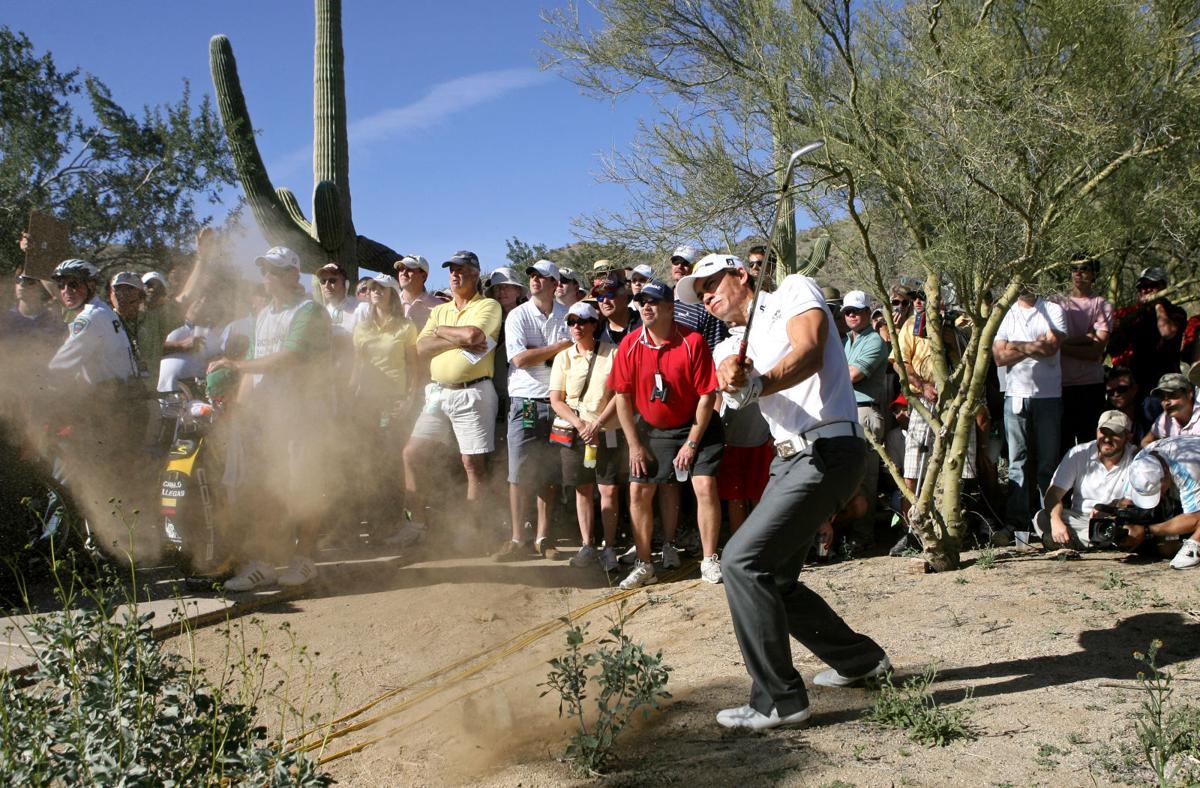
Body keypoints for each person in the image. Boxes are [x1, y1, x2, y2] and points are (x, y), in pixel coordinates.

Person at [676, 253, 886, 731]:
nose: (707, 295)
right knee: (777, 579)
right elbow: (738, 388)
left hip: (828, 447)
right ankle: (860, 660)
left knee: (740, 562)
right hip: (788, 459)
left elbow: (810, 350)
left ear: (742, 274)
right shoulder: (725, 348)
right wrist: (737, 377)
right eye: (699, 292)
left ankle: (778, 700)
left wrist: (761, 379)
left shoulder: (792, 290)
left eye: (712, 282)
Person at [209, 246, 333, 590]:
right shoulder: (264, 315)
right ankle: (263, 563)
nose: (268, 277)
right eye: (265, 271)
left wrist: (234, 365)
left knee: (301, 489)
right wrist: (241, 410)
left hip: (303, 415)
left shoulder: (310, 312)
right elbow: (254, 363)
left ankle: (305, 560)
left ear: (294, 274)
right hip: (268, 418)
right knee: (264, 491)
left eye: (276, 271)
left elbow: (289, 357)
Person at [608, 280, 726, 588]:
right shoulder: (630, 344)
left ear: (670, 308)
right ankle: (645, 564)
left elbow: (707, 396)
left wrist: (691, 443)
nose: (645, 306)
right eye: (641, 301)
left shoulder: (693, 341)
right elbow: (621, 396)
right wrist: (634, 445)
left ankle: (710, 559)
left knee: (704, 485)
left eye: (653, 302)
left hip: (696, 425)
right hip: (653, 428)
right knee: (638, 491)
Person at [403, 250, 502, 541]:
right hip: (437, 393)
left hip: (473, 391)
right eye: (452, 270)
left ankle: (471, 529)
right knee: (412, 454)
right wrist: (455, 334)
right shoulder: (440, 309)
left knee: (472, 464)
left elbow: (474, 337)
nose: (455, 274)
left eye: (462, 270)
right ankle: (416, 525)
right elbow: (420, 350)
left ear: (475, 274)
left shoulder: (489, 305)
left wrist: (440, 333)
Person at [494, 259, 571, 560]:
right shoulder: (517, 316)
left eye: (543, 277)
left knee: (549, 472)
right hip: (525, 401)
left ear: (555, 284)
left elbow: (570, 354)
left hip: (557, 403)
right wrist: (558, 348)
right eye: (533, 276)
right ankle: (517, 539)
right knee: (519, 472)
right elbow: (520, 360)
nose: (536, 281)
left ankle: (543, 537)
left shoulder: (568, 315)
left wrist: (540, 352)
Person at [549, 301, 622, 572]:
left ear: (594, 324)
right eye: (571, 322)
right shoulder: (563, 357)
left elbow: (619, 394)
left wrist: (597, 423)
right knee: (582, 489)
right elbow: (556, 399)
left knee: (609, 490)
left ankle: (610, 548)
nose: (576, 327)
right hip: (575, 431)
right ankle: (587, 544)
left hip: (607, 431)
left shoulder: (613, 353)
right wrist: (581, 424)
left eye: (582, 321)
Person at [992, 288, 1067, 537]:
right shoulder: (1006, 312)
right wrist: (1035, 345)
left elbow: (1051, 348)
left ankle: (1049, 520)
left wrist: (1016, 345)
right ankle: (1017, 521)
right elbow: (999, 356)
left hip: (1048, 396)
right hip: (1015, 395)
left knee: (1048, 463)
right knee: (1017, 462)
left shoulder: (1053, 309)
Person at [351, 273, 419, 543]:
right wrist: (349, 396)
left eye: (382, 288)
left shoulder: (406, 327)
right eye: (372, 288)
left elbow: (414, 369)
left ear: (392, 294)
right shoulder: (361, 328)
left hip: (395, 402)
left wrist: (409, 400)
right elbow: (357, 367)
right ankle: (374, 525)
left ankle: (392, 524)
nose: (376, 291)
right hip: (366, 402)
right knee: (371, 464)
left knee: (392, 463)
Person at [1035, 410, 1136, 549]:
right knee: (1042, 517)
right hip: (1078, 518)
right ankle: (1091, 542)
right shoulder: (1078, 453)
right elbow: (1053, 495)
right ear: (1096, 431)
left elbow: (1133, 501)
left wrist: (1111, 510)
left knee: (1127, 530)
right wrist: (1056, 521)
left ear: (1128, 437)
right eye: (1103, 432)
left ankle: (1068, 542)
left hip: (1113, 519)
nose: (1107, 438)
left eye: (1115, 434)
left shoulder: (1136, 459)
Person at [712, 326, 774, 534]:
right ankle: (740, 542)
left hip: (762, 433)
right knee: (734, 496)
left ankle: (759, 543)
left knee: (759, 494)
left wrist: (775, 432)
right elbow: (717, 393)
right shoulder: (721, 348)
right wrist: (714, 427)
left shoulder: (766, 343)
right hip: (731, 436)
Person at [841, 289, 888, 548]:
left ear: (867, 313)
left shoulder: (874, 342)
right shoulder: (847, 341)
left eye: (856, 311)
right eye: (848, 311)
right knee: (850, 475)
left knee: (866, 477)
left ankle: (863, 536)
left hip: (864, 411)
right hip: (847, 411)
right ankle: (851, 533)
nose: (851, 315)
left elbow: (851, 374)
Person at [1054, 256, 1113, 453]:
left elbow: (1095, 351)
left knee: (1089, 447)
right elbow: (1048, 342)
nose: (1078, 273)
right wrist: (1085, 337)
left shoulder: (1101, 305)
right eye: (1074, 268)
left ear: (1094, 274)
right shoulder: (1056, 303)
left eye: (1084, 268)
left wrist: (1060, 345)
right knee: (1063, 447)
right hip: (1058, 386)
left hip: (1090, 386)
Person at [1109, 266, 1187, 402]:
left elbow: (1167, 332)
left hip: (1165, 385)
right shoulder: (1132, 316)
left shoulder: (1175, 312)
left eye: (1151, 286)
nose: (1145, 290)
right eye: (1141, 287)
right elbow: (1115, 349)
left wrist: (1157, 304)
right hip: (1136, 386)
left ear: (1163, 286)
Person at [1120, 435, 1200, 569]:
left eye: (1159, 491)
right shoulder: (1140, 462)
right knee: (1166, 548)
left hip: (1195, 466)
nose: (1160, 496)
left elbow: (1195, 518)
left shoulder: (1188, 471)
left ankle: (1195, 544)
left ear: (1166, 475)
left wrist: (1146, 531)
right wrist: (1123, 525)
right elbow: (1126, 501)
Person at [669, 245, 728, 349]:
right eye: (675, 262)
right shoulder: (661, 299)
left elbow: (713, 349)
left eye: (685, 263)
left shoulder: (707, 305)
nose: (679, 266)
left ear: (695, 268)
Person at [1, 272, 62, 351]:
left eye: (29, 281)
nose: (22, 284)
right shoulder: (4, 320)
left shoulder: (55, 322)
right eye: (18, 279)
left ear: (42, 287)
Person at [1142, 373, 1200, 445]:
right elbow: (1145, 442)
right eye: (1162, 397)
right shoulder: (1165, 418)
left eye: (1172, 394)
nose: (1166, 402)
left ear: (1189, 394)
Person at [1105, 366, 1154, 445]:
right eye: (1111, 392)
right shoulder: (1107, 418)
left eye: (1121, 389)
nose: (1116, 394)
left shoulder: (1151, 406)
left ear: (1134, 388)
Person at [394, 254, 440, 332]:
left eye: (409, 269)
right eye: (401, 269)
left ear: (423, 276)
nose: (403, 273)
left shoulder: (438, 307)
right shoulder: (390, 304)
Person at [593, 274, 641, 346]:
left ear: (624, 296)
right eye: (600, 297)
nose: (605, 301)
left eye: (610, 295)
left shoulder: (643, 323)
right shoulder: (597, 336)